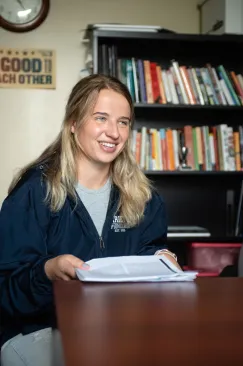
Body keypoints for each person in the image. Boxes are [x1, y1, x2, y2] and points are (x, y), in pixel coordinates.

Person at [0, 74, 180, 365]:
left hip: (120, 327)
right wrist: (47, 272)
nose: (114, 132)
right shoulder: (33, 192)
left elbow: (147, 255)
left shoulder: (144, 197)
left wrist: (161, 259)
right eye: (101, 118)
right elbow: (5, 292)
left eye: (123, 122)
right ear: (73, 123)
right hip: (40, 329)